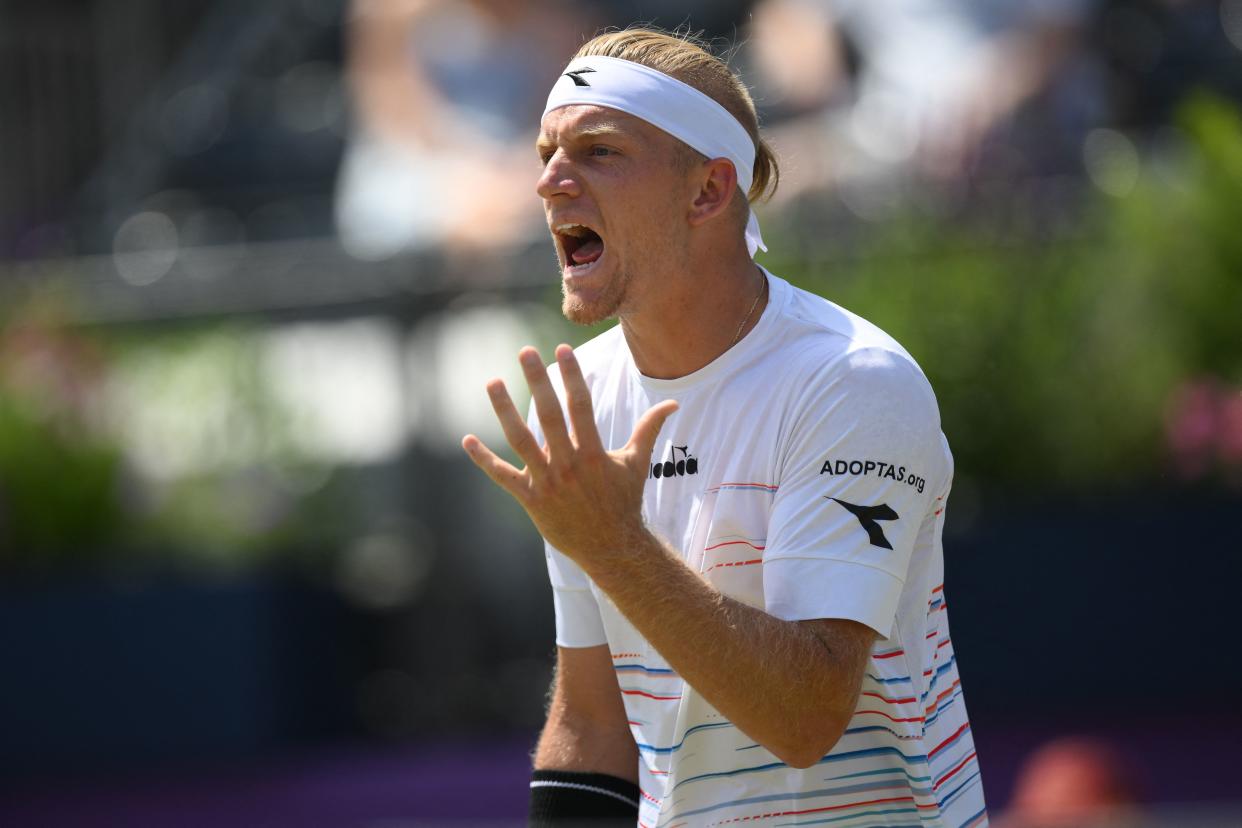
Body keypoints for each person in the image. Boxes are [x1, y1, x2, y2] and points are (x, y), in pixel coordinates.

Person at [461, 27, 988, 828]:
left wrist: (613, 545)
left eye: (599, 151)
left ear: (708, 191)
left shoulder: (852, 381)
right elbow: (596, 722)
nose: (549, 183)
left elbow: (806, 719)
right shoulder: (582, 401)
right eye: (546, 154)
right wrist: (608, 544)